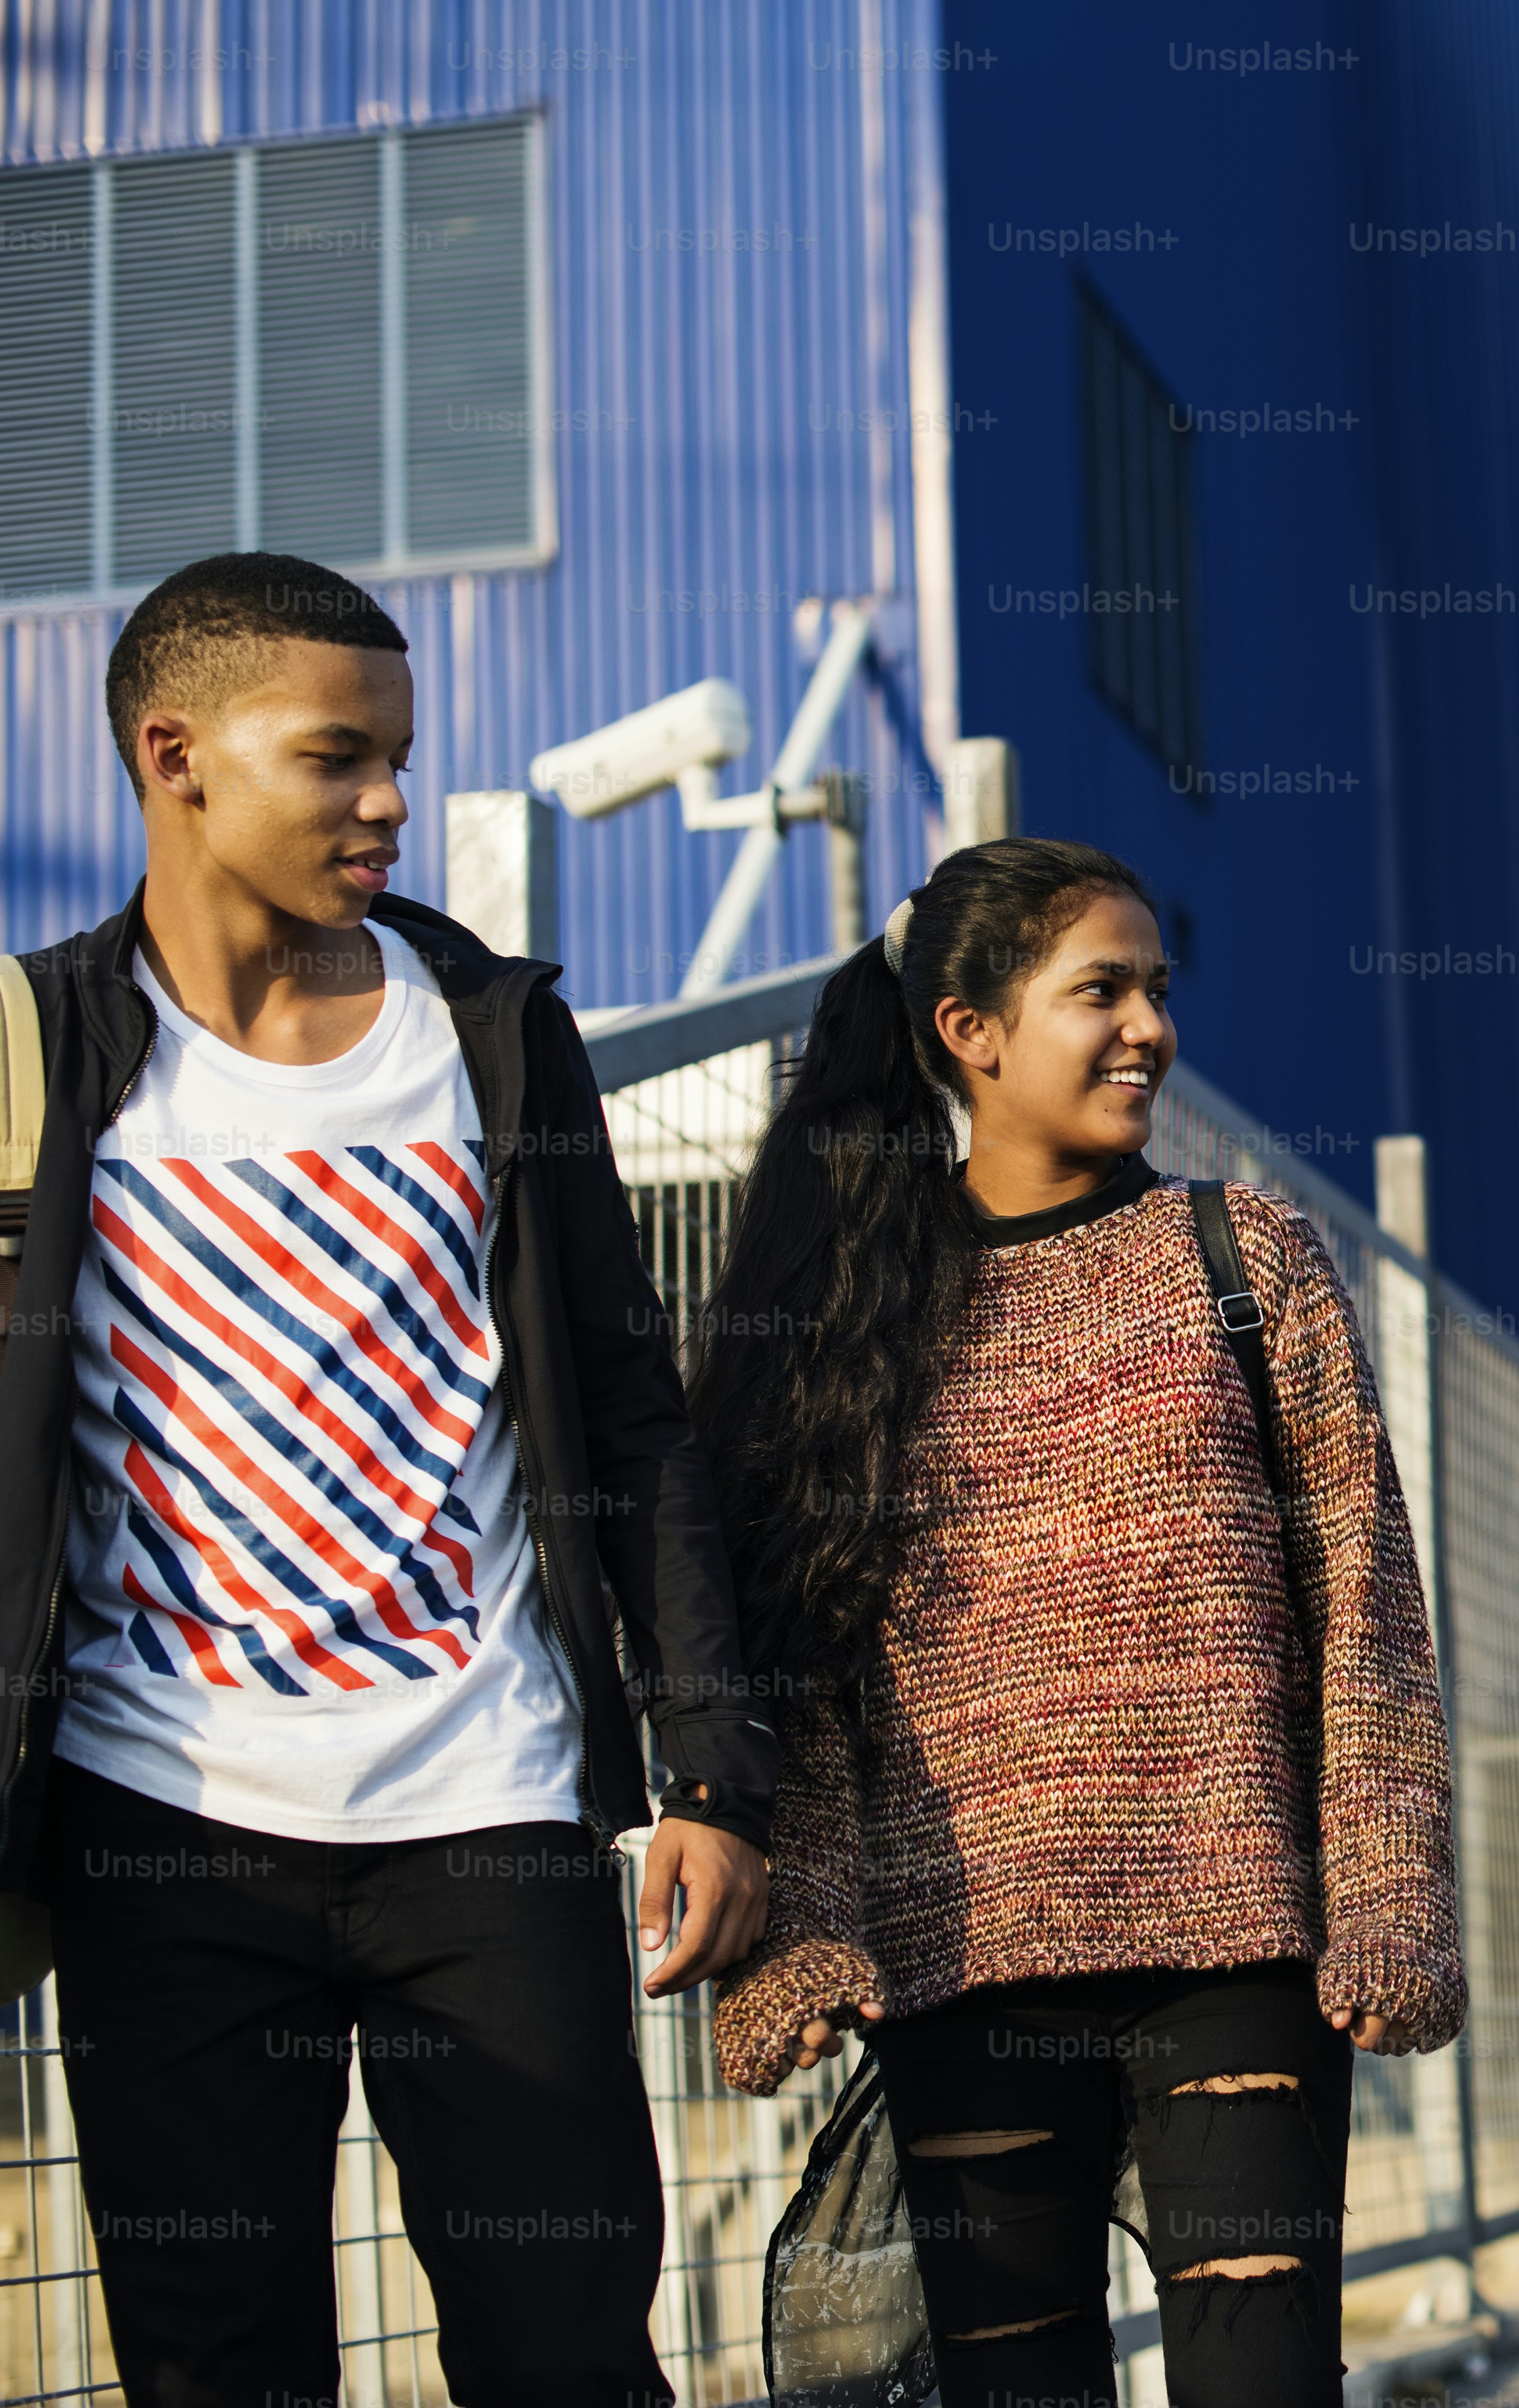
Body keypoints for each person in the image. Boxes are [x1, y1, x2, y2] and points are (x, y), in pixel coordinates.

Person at [0, 553, 775, 2403]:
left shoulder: (496, 1032)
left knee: (569, 2354)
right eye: (337, 757)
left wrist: (714, 1763)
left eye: (401, 757)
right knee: (219, 2364)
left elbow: (629, 1407)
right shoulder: (43, 1051)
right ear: (173, 753)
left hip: (488, 1814)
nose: (391, 801)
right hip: (158, 1825)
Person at [701, 836, 1464, 2408]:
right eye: (1098, 990)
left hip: (1238, 1936)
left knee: (1264, 2385)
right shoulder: (857, 1310)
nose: (1147, 1028)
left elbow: (1365, 1600)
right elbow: (827, 1668)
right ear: (970, 1029)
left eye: (1157, 990)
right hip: (960, 1953)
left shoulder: (1245, 1257)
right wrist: (809, 1923)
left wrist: (1391, 1886)